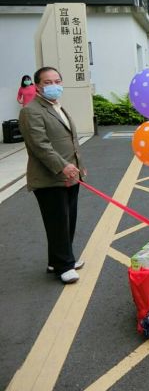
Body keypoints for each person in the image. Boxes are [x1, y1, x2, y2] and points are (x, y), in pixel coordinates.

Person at [18, 67, 85, 284]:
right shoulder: (31, 111)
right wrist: (62, 166)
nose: (54, 85)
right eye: (48, 82)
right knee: (57, 221)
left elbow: (69, 140)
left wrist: (78, 165)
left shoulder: (56, 107)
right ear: (37, 86)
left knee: (68, 219)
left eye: (57, 80)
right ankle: (63, 266)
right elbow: (39, 145)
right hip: (50, 178)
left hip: (69, 174)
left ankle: (58, 260)